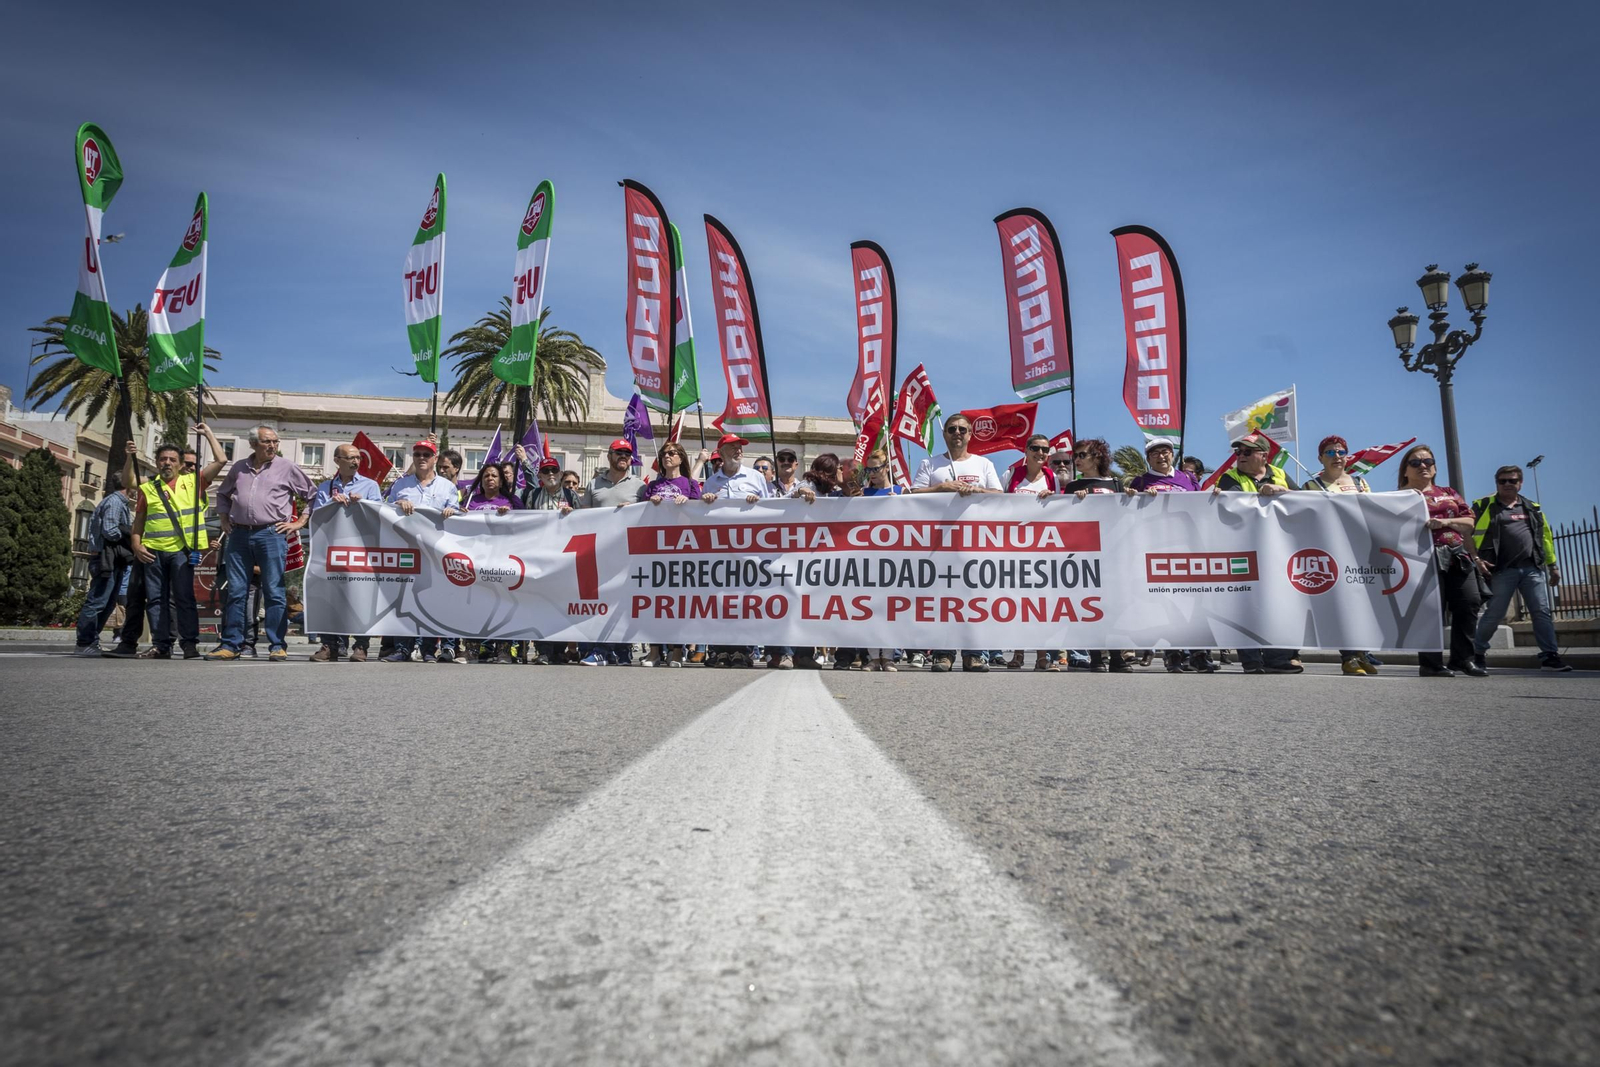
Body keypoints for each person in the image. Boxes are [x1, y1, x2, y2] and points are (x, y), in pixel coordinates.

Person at [206, 425, 314, 662]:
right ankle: (231, 644)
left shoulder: (286, 467)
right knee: (236, 591)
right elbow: (223, 494)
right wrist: (223, 518)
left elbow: (313, 495)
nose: (273, 446)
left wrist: (299, 523)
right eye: (267, 442)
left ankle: (277, 645)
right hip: (239, 535)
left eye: (275, 441)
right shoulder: (239, 468)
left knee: (274, 591)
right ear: (253, 444)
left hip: (271, 534)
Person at [128, 425, 227, 660]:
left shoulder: (193, 483)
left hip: (181, 551)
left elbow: (222, 459)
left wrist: (209, 434)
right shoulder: (149, 488)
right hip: (152, 551)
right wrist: (136, 544)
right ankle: (162, 645)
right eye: (163, 459)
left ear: (181, 464)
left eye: (172, 459)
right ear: (157, 461)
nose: (167, 463)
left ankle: (189, 645)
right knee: (155, 600)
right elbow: (139, 518)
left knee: (184, 598)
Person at [913, 413, 1001, 672]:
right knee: (944, 598)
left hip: (976, 544)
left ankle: (974, 654)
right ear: (945, 434)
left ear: (970, 434)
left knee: (974, 598)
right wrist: (941, 488)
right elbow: (913, 494)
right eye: (952, 429)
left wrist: (977, 491)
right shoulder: (930, 464)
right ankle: (943, 653)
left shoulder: (983, 464)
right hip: (939, 543)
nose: (957, 433)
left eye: (962, 429)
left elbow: (998, 494)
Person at [1211, 434, 1302, 674]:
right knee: (1245, 604)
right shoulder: (1230, 478)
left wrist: (1282, 490)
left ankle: (1278, 658)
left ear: (1264, 455)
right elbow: (1231, 507)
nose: (1240, 456)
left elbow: (1305, 501)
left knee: (1280, 603)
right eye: (1238, 452)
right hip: (1244, 550)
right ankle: (1251, 660)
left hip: (1277, 550)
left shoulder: (1280, 474)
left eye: (1247, 452)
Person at [1396, 443, 1484, 678]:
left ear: (1434, 468)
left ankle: (1463, 659)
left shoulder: (1449, 492)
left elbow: (1469, 522)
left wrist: (1445, 523)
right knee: (1430, 610)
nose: (1423, 465)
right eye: (1415, 462)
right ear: (1405, 470)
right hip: (1420, 558)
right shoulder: (1398, 498)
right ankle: (1430, 663)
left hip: (1456, 553)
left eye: (1428, 462)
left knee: (1470, 602)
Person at [1471, 465, 1570, 672]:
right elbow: (1468, 534)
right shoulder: (1483, 506)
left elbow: (1545, 538)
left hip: (1532, 568)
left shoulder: (1532, 508)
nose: (1507, 484)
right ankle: (1477, 653)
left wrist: (1553, 565)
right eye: (1502, 481)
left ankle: (1550, 657)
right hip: (1500, 569)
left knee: (1541, 612)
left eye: (1512, 481)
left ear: (1520, 483)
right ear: (1496, 483)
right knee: (1495, 615)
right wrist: (1477, 559)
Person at [378, 439, 462, 664]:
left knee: (433, 599)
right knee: (404, 598)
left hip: (436, 552)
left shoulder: (447, 487)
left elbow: (458, 512)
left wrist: (451, 511)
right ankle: (402, 648)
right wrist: (397, 505)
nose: (422, 457)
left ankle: (427, 649)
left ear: (435, 459)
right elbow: (384, 509)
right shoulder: (400, 485)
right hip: (407, 550)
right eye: (417, 454)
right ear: (413, 458)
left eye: (427, 454)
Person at [1300, 435, 1376, 676]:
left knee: (1364, 604)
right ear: (1320, 458)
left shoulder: (1360, 482)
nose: (1337, 457)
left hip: (1359, 551)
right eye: (1330, 453)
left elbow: (1374, 513)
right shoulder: (1312, 485)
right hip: (1330, 552)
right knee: (1343, 605)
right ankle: (1348, 657)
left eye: (1341, 452)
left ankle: (1363, 653)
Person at [700, 433, 775, 668]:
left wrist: (758, 501)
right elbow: (703, 513)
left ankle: (743, 651)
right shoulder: (713, 481)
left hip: (748, 550)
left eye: (740, 448)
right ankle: (720, 650)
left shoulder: (755, 477)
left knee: (744, 601)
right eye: (733, 448)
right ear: (721, 454)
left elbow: (772, 508)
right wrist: (707, 499)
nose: (738, 451)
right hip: (720, 552)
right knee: (720, 599)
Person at [308, 443, 384, 662]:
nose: (355, 461)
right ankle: (329, 646)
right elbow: (316, 518)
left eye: (358, 458)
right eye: (350, 457)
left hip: (361, 550)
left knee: (361, 598)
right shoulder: (325, 487)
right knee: (330, 598)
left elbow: (380, 515)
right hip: (332, 551)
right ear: (337, 460)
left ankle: (361, 646)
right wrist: (332, 503)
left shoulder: (370, 486)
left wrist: (365, 504)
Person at [577, 439, 647, 667]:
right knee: (603, 602)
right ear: (610, 456)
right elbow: (584, 518)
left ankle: (617, 651)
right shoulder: (594, 483)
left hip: (629, 554)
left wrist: (633, 512)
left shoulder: (639, 486)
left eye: (627, 453)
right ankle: (605, 649)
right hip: (599, 553)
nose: (624, 457)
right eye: (619, 453)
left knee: (624, 603)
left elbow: (649, 518)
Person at [1000, 434, 1061, 672]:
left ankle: (1042, 657)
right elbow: (996, 505)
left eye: (1045, 450)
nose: (1041, 453)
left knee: (1041, 604)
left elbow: (1060, 510)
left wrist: (1053, 498)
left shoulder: (1052, 477)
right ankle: (1017, 654)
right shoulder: (1010, 475)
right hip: (1014, 546)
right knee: (1018, 602)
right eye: (1035, 448)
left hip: (1043, 548)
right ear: (1026, 451)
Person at [638, 442, 702, 667]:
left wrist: (689, 503)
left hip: (681, 549)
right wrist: (650, 503)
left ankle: (677, 650)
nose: (667, 456)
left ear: (681, 458)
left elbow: (700, 513)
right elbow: (639, 515)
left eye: (672, 453)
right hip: (655, 549)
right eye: (664, 453)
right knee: (655, 601)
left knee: (677, 601)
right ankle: (654, 651)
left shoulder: (690, 484)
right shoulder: (653, 485)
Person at [74, 472, 136, 656]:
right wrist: (127, 536)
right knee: (97, 601)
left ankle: (91, 641)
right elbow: (110, 531)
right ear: (127, 485)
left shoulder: (119, 503)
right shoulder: (115, 502)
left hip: (112, 559)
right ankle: (84, 642)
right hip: (105, 558)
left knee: (108, 603)